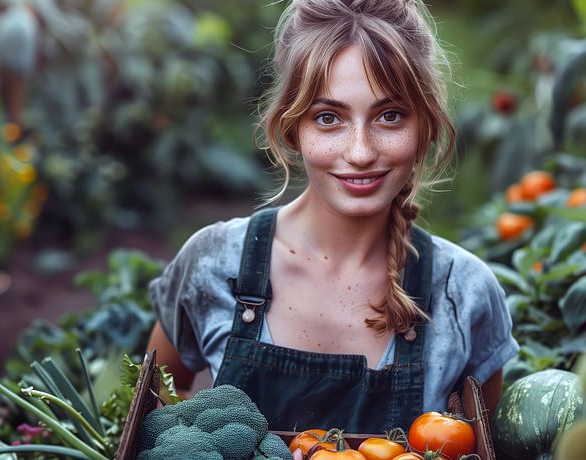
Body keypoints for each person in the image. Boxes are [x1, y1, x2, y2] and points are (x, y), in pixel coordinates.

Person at [147, 0, 519, 439]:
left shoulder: (464, 294)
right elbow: (150, 419)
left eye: (390, 115)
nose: (360, 152)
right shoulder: (214, 263)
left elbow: (482, 445)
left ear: (426, 127)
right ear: (292, 128)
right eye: (328, 118)